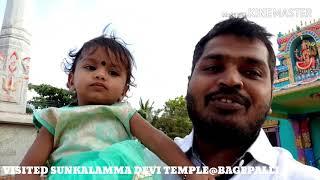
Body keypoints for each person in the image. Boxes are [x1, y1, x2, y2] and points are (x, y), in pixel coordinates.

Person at [17, 32, 213, 180]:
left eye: (113, 72)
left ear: (124, 90)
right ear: (70, 80)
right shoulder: (55, 118)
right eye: (91, 67)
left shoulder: (124, 113)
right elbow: (29, 169)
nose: (101, 74)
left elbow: (157, 141)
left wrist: (190, 172)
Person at [163, 17, 320, 179]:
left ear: (271, 97)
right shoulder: (147, 165)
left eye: (252, 72)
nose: (231, 80)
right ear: (188, 85)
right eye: (213, 67)